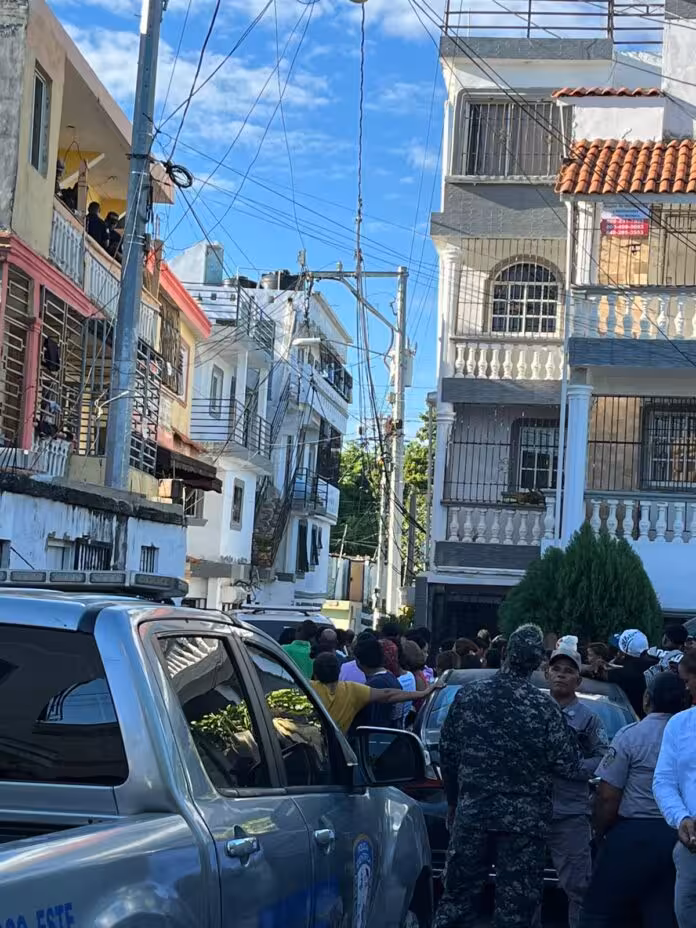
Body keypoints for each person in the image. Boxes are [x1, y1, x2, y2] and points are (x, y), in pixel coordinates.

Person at [433, 624, 581, 928]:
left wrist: (453, 801)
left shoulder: (470, 695)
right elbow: (567, 764)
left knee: (457, 904)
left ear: (505, 653)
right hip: (523, 824)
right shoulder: (544, 708)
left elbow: (447, 753)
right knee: (516, 913)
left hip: (473, 814)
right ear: (538, 662)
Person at [581, 672, 688, 928]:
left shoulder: (631, 735)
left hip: (634, 834)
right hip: (681, 835)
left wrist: (600, 832)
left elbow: (608, 796)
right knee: (664, 913)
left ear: (647, 699)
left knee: (600, 913)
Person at [533, 641, 608, 928]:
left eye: (568, 671)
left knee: (579, 887)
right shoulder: (533, 712)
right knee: (523, 888)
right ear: (546, 673)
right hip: (529, 811)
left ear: (578, 679)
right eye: (556, 669)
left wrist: (574, 768)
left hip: (569, 813)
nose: (561, 675)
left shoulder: (589, 720)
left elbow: (603, 758)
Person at [654, 649, 696, 927]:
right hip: (692, 849)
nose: (686, 688)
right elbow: (663, 781)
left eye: (688, 680)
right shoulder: (680, 725)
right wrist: (681, 818)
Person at [311, 653, 439, 735]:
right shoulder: (352, 690)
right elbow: (389, 694)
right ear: (339, 671)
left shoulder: (308, 688)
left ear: (315, 674)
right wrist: (424, 693)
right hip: (337, 750)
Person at [587, 628, 654, 718]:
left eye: (617, 651)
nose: (616, 654)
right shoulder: (654, 663)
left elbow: (594, 672)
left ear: (622, 654)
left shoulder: (625, 673)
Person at [352, 636, 403, 728]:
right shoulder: (390, 677)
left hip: (376, 734)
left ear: (359, 661)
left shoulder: (375, 684)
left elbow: (373, 720)